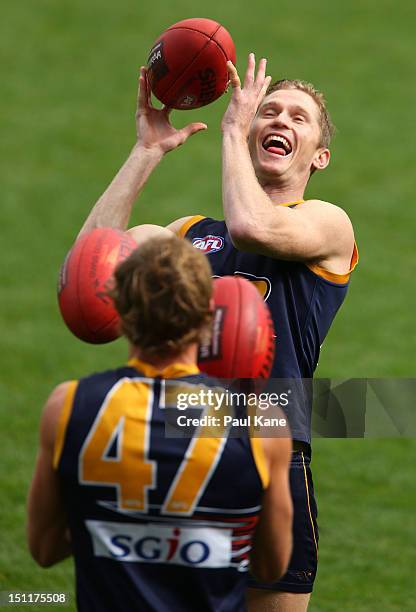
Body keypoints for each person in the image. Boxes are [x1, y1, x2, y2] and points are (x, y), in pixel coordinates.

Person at [73, 53, 358, 611]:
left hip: (268, 454)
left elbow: (254, 227)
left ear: (319, 156)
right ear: (251, 131)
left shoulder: (328, 223)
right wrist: (145, 153)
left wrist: (233, 127)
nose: (280, 120)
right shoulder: (188, 235)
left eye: (298, 118)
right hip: (177, 447)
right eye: (268, 111)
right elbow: (89, 273)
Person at [27, 236, 293, 612]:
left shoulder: (68, 405)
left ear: (121, 311)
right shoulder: (258, 422)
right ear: (208, 318)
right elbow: (271, 565)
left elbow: (44, 548)